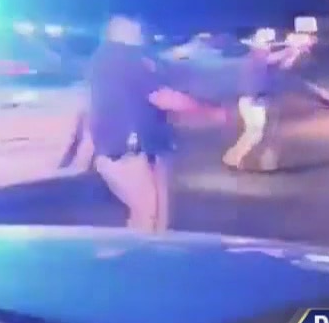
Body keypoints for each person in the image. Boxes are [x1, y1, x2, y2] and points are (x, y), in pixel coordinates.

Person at [87, 14, 223, 233]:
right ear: (118, 29)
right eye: (134, 25)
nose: (141, 30)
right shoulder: (121, 58)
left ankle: (148, 252)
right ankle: (135, 254)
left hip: (141, 148)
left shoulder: (114, 58)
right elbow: (163, 97)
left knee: (156, 217)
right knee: (147, 214)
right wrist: (210, 112)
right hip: (127, 151)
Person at [222, 31, 310, 170]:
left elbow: (284, 66)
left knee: (268, 134)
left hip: (265, 99)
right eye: (267, 43)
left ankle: (265, 163)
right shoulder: (255, 58)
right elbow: (271, 59)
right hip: (252, 100)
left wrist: (296, 52)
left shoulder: (266, 58)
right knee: (255, 132)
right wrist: (292, 49)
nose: (269, 46)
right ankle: (232, 158)